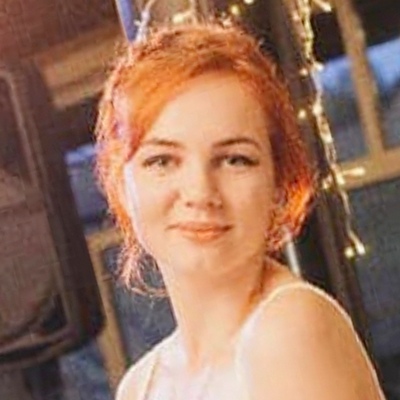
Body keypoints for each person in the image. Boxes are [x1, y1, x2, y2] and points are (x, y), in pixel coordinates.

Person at [95, 21, 386, 400]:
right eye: (162, 160)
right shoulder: (140, 385)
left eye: (235, 159)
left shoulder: (288, 328)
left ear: (279, 184)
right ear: (121, 184)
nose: (200, 192)